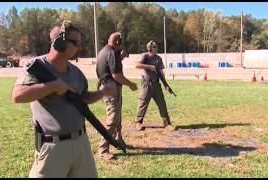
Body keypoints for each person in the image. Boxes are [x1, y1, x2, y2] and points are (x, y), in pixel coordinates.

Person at [11, 20, 116, 178]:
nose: (80, 47)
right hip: (52, 147)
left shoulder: (76, 73)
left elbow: (82, 99)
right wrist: (51, 86)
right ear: (59, 43)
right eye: (76, 43)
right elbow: (17, 95)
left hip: (81, 143)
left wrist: (102, 92)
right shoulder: (37, 66)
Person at [96, 32, 138, 160]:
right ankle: (103, 149)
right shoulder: (112, 53)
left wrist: (121, 58)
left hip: (109, 87)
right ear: (118, 43)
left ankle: (118, 140)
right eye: (121, 44)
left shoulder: (107, 51)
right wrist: (130, 84)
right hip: (110, 88)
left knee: (117, 116)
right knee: (113, 117)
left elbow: (109, 67)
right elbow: (116, 76)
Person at [134, 40, 176, 131]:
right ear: (150, 48)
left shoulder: (158, 58)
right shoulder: (144, 56)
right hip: (146, 83)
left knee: (162, 104)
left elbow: (161, 72)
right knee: (143, 103)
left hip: (156, 83)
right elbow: (137, 65)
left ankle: (167, 123)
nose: (156, 48)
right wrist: (149, 67)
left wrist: (165, 84)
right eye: (155, 47)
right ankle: (138, 122)